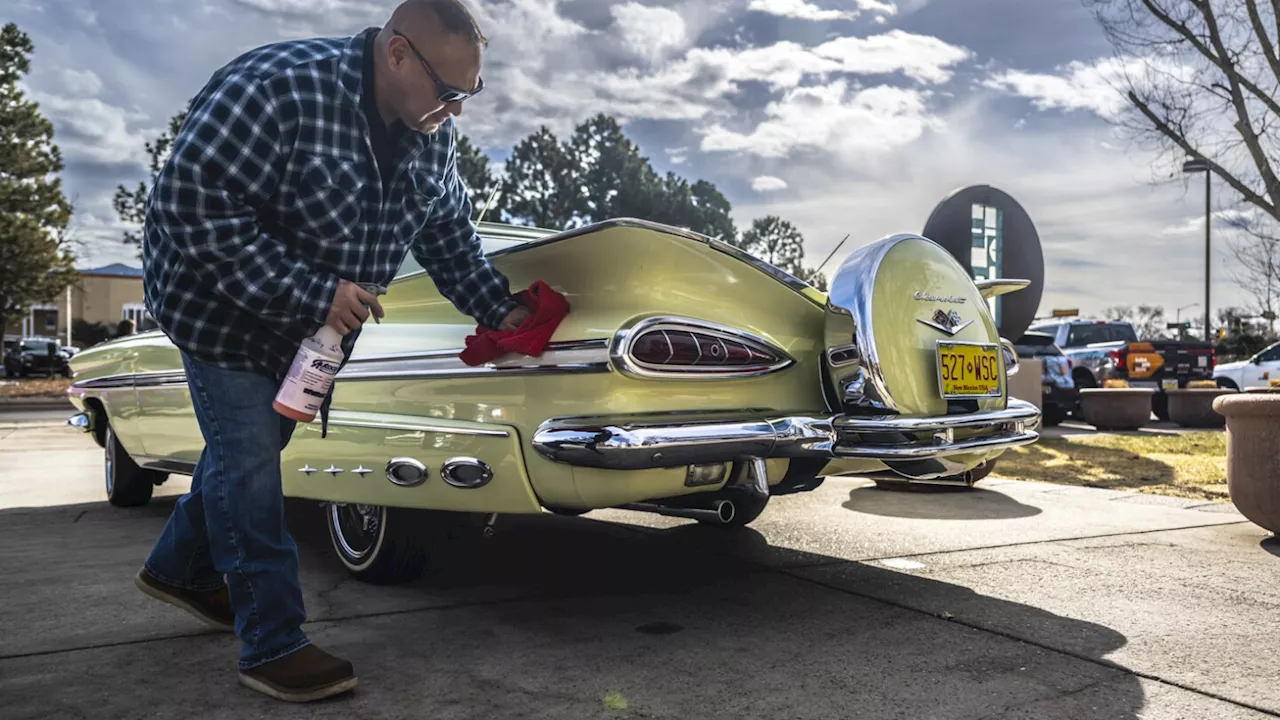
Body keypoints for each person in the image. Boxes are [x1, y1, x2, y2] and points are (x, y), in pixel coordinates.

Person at [134, 0, 529, 703]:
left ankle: (178, 571)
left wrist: (505, 311)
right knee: (251, 465)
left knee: (242, 456)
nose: (457, 111)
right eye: (449, 91)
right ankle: (272, 641)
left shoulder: (429, 134)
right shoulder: (275, 89)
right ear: (398, 53)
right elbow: (187, 206)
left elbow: (449, 240)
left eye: (470, 94)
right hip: (216, 309)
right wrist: (312, 291)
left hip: (310, 336)